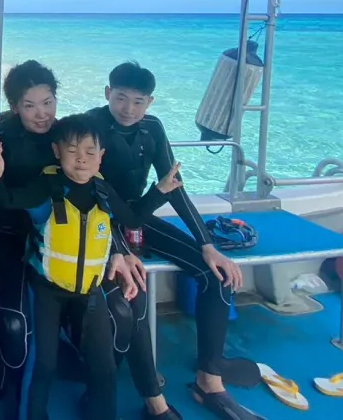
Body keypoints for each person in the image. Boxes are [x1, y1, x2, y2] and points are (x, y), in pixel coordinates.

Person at [0, 111, 183, 420]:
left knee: (104, 366)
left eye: (90, 151)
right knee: (43, 363)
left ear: (101, 156)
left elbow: (132, 218)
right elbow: (7, 200)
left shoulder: (103, 190)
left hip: (90, 292)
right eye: (72, 151)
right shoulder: (46, 187)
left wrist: (160, 191)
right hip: (46, 291)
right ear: (57, 151)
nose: (81, 159)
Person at [88, 62, 256, 420]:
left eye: (138, 101)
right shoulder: (91, 126)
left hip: (139, 214)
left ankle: (209, 381)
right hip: (99, 223)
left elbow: (172, 185)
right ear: (107, 94)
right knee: (134, 292)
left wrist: (207, 243)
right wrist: (118, 250)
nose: (128, 109)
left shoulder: (152, 127)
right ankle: (153, 398)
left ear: (149, 102)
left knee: (216, 275)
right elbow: (91, 194)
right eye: (120, 98)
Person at [0, 61, 60, 414]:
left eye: (48, 102)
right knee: (15, 323)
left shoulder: (66, 135)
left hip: (54, 239)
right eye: (30, 105)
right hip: (5, 235)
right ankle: (4, 369)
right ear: (14, 107)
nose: (42, 114)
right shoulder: (0, 137)